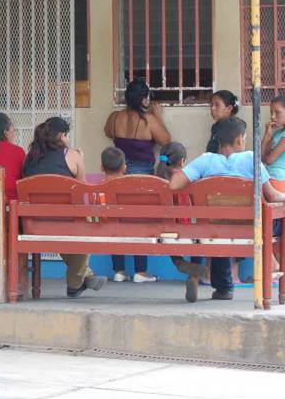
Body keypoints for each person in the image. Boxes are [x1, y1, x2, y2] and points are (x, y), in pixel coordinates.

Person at [169, 117, 285, 302]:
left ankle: (223, 288)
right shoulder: (251, 159)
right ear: (240, 139)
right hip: (252, 228)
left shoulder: (205, 161)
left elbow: (174, 184)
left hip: (216, 230)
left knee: (220, 225)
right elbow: (272, 196)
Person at [22, 116, 105, 298]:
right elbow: (82, 188)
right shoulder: (71, 155)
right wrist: (80, 158)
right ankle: (76, 283)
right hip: (64, 221)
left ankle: (87, 276)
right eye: (67, 135)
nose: (69, 139)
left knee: (59, 224)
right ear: (61, 135)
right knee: (85, 230)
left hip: (33, 223)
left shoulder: (29, 158)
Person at [154, 142, 207, 302]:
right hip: (184, 226)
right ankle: (193, 274)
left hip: (161, 228)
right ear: (183, 161)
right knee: (197, 237)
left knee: (167, 235)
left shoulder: (156, 177)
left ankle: (179, 262)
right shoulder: (185, 177)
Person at [101, 147, 154, 283]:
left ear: (102, 167)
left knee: (114, 229)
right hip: (132, 225)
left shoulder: (99, 185)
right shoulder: (130, 186)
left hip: (107, 226)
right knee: (140, 227)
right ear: (124, 167)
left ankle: (119, 271)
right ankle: (140, 272)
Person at [205, 90, 243, 283]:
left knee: (229, 228)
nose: (212, 109)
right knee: (217, 229)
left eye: (217, 105)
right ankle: (212, 273)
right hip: (216, 185)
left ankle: (232, 275)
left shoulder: (235, 128)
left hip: (226, 185)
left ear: (229, 108)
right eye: (211, 105)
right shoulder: (216, 128)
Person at [104, 79, 171, 174]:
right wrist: (159, 118)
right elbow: (166, 142)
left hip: (118, 170)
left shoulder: (114, 117)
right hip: (142, 172)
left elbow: (108, 133)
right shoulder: (148, 119)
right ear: (143, 99)